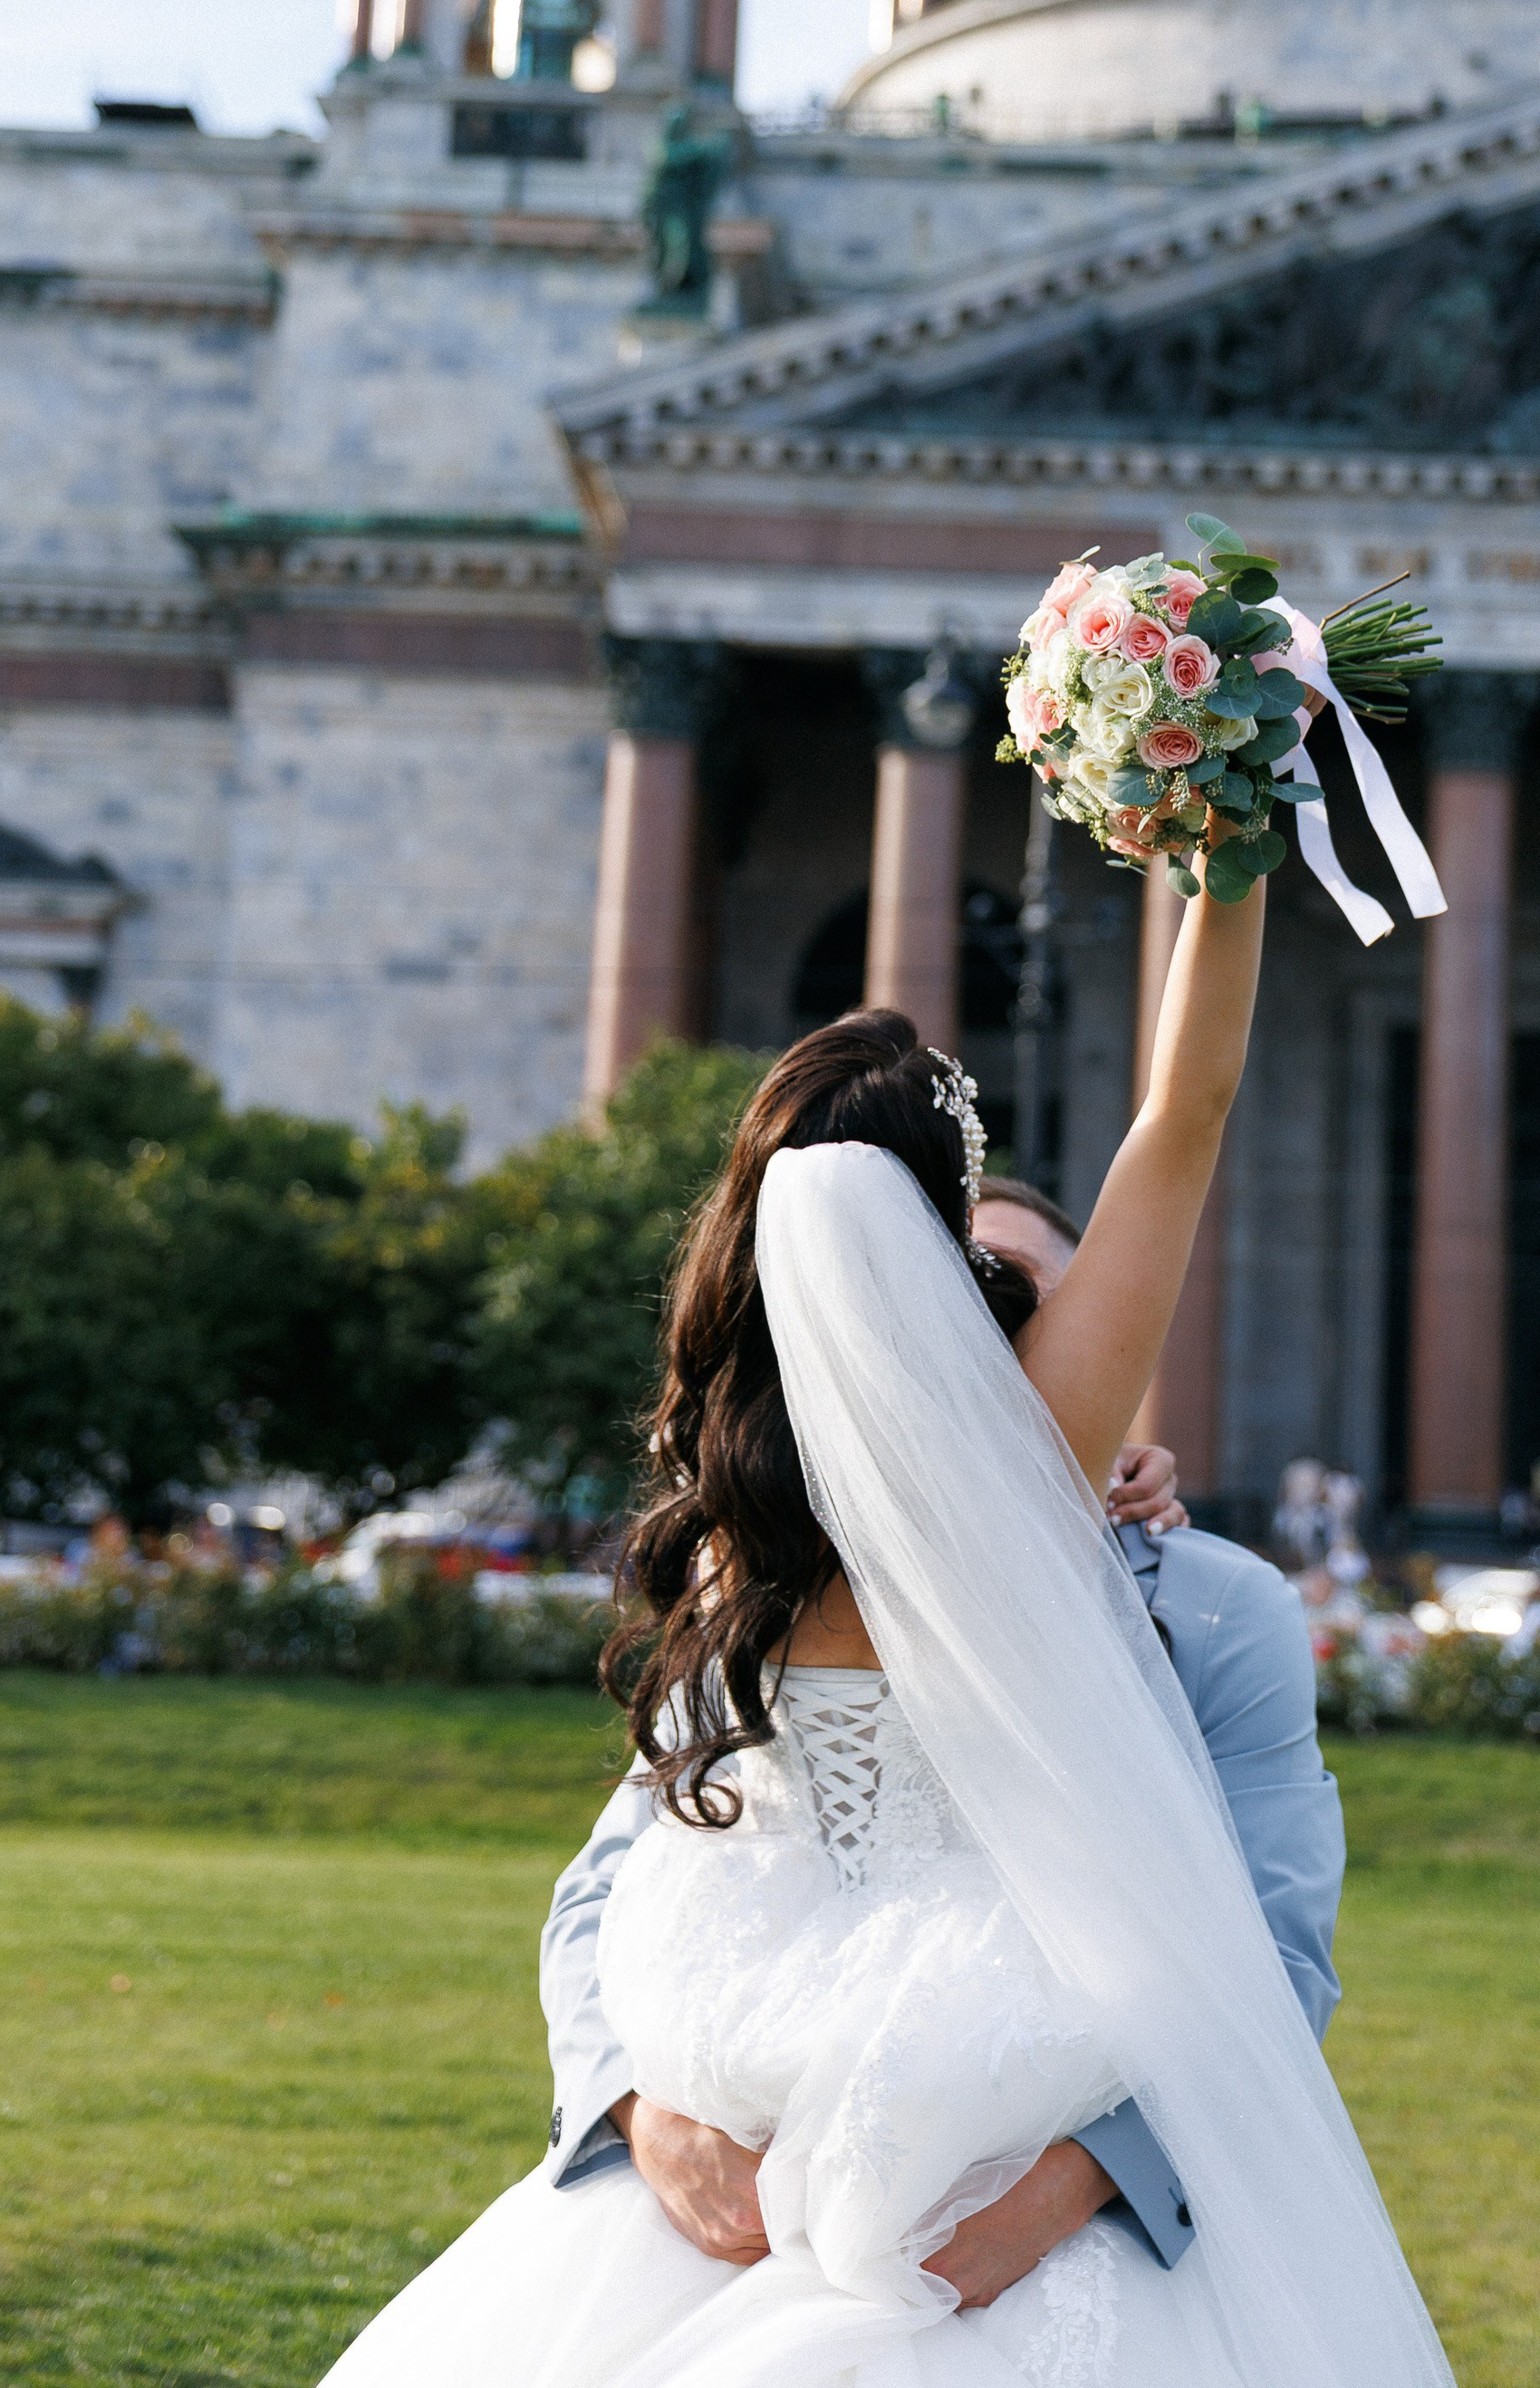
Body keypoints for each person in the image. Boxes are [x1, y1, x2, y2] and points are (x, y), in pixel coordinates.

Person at [320, 874, 1451, 2387]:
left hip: (745, 2025)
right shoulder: (1035, 1469)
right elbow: (1187, 1108)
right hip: (975, 2050)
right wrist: (1224, 851)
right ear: (948, 1238)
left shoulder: (737, 1532)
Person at [539, 1170, 1347, 2308]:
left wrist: (1071, 2190)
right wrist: (641, 2115)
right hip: (725, 2216)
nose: (967, 1335)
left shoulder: (1213, 1610)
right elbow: (609, 1884)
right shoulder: (765, 1588)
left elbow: (1278, 1953)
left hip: (1057, 2244)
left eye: (1019, 1304)